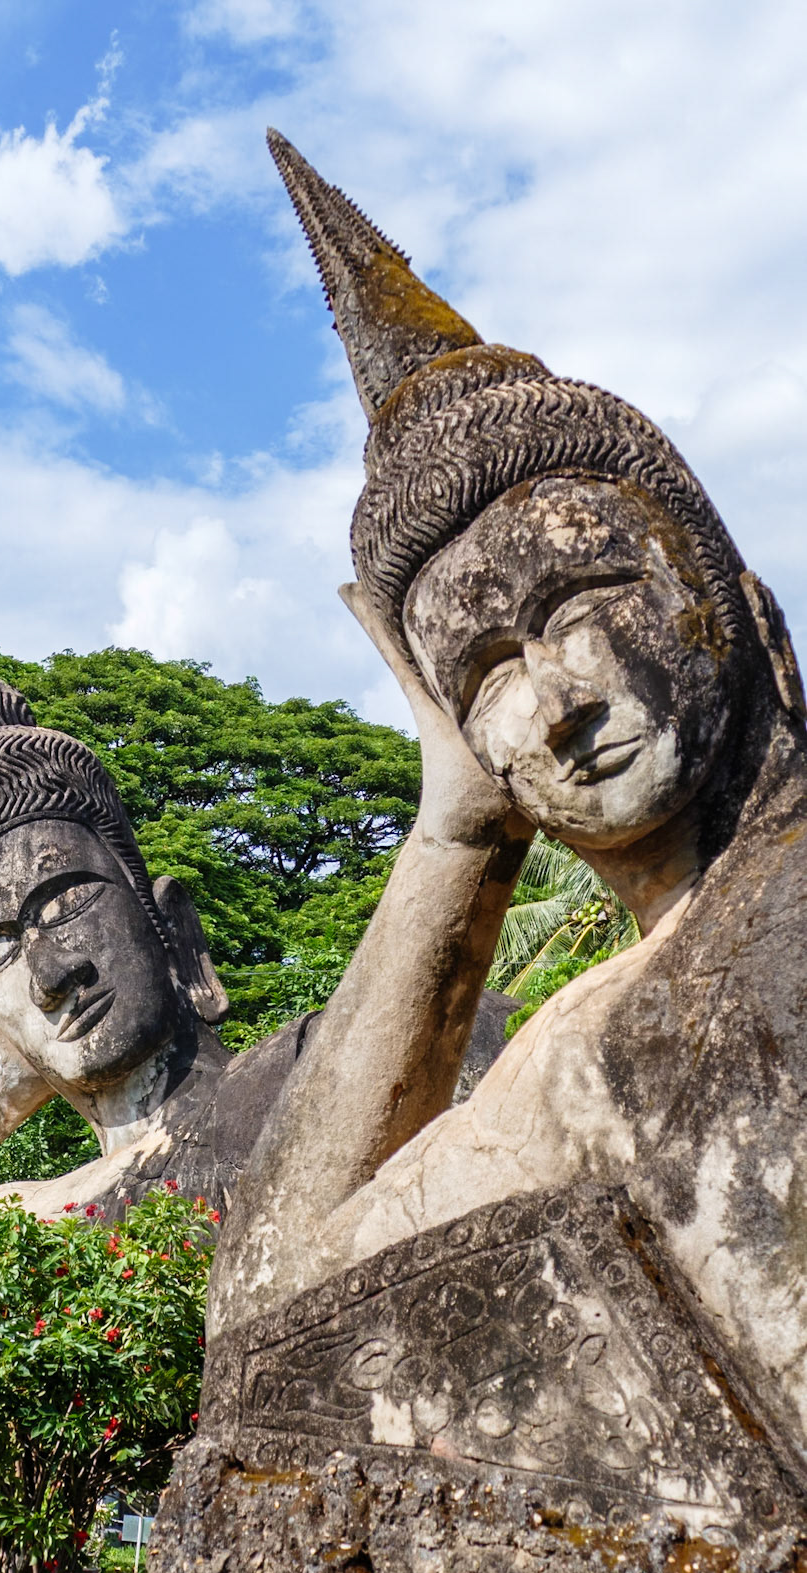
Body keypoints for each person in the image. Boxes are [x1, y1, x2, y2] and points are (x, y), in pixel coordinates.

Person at [211, 134, 807, 1479]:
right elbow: (263, 1327)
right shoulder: (573, 1042)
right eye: (482, 673)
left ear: (730, 602)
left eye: (578, 607)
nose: (554, 700)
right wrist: (457, 827)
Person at [0, 545, 513, 1223]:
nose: (50, 975)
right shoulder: (13, 1225)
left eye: (64, 903)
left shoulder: (367, 1060)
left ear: (174, 930)